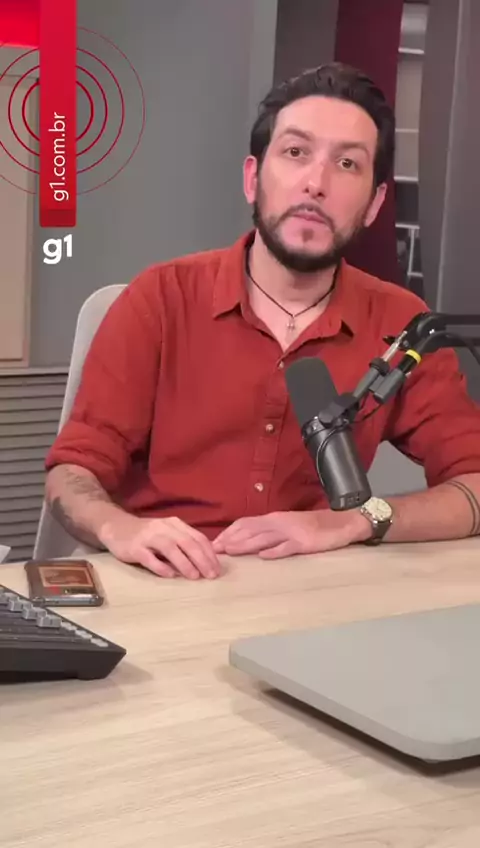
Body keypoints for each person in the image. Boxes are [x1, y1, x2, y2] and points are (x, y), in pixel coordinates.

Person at [44, 63, 480, 580]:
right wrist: (121, 528)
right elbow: (72, 473)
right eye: (296, 153)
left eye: (347, 163)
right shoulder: (159, 298)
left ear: (374, 203)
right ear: (253, 179)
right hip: (163, 584)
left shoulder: (401, 323)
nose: (316, 183)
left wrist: (356, 520)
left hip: (308, 592)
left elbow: (474, 482)